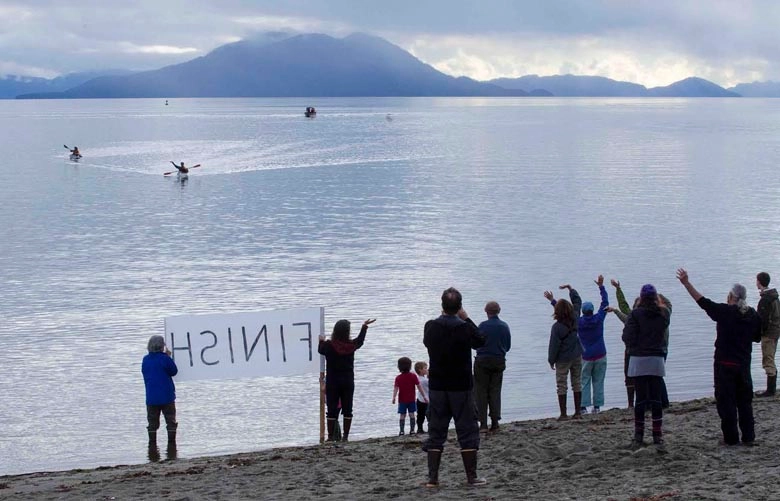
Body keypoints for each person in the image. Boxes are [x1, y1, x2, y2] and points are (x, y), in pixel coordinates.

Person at [677, 269, 761, 445]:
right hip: (744, 364)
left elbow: (703, 302)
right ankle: (749, 437)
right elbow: (757, 337)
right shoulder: (753, 315)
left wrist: (687, 284)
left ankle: (731, 438)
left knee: (726, 403)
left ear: (731, 297)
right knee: (745, 402)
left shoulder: (725, 312)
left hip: (725, 364)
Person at [422, 287, 487, 487]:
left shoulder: (431, 326)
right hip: (461, 385)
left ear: (442, 305)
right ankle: (471, 477)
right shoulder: (464, 327)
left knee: (436, 430)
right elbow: (480, 341)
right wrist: (466, 318)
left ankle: (433, 478)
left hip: (438, 385)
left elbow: (427, 343)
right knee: (467, 429)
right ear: (459, 307)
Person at [608, 279, 672, 409]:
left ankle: (653, 404)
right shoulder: (663, 315)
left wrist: (615, 310)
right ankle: (659, 405)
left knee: (648, 382)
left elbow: (626, 331)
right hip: (658, 352)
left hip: (644, 353)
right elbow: (624, 307)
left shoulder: (636, 317)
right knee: (656, 379)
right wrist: (618, 290)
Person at [622, 284, 670, 451]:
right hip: (656, 358)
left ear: (641, 298)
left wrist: (634, 346)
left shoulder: (635, 314)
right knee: (656, 399)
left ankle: (639, 435)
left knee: (640, 400)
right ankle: (657, 435)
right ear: (656, 297)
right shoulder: (663, 314)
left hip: (639, 359)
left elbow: (627, 336)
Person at [318, 317, 376, 442]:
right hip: (348, 380)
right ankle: (345, 436)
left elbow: (320, 350)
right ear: (347, 332)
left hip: (333, 380)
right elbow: (360, 341)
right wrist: (364, 327)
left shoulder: (328, 345)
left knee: (332, 409)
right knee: (348, 408)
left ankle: (331, 436)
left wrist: (321, 341)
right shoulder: (351, 346)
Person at [545, 285, 583, 420]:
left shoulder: (557, 327)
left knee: (562, 384)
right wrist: (571, 289)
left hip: (562, 359)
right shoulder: (576, 318)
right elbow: (578, 302)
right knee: (577, 381)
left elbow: (554, 346)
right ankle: (578, 412)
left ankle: (563, 414)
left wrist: (551, 360)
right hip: (577, 355)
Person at [474, 301, 511, 431]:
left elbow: (476, 344)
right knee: (495, 391)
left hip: (483, 361)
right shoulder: (504, 326)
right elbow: (507, 346)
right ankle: (495, 422)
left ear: (486, 311)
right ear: (498, 311)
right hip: (498, 360)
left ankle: (483, 423)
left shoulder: (482, 326)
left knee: (481, 391)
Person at [577, 276, 609, 414]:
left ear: (583, 312)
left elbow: (565, 314)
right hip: (600, 353)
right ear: (592, 310)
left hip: (586, 356)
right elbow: (605, 303)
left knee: (584, 381)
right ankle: (597, 406)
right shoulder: (599, 318)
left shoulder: (578, 322)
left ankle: (583, 407)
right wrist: (601, 287)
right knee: (598, 380)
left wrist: (553, 301)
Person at [142, 335, 179, 448]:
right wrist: (168, 357)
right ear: (161, 346)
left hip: (151, 397)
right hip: (167, 396)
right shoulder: (164, 358)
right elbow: (174, 371)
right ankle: (172, 445)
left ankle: (152, 445)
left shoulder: (146, 359)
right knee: (170, 421)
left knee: (152, 424)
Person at [755, 272, 780, 397]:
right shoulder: (774, 297)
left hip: (769, 334)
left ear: (759, 282)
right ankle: (772, 388)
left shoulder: (765, 299)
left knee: (768, 359)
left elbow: (763, 320)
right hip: (775, 332)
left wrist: (758, 333)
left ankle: (770, 390)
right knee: (771, 358)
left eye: (757, 280)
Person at [393, 357, 427, 436]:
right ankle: (412, 430)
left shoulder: (398, 378)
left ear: (399, 367)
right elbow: (419, 387)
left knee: (402, 415)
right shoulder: (413, 376)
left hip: (402, 400)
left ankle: (401, 431)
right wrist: (424, 396)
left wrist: (394, 397)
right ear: (410, 366)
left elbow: (396, 388)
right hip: (411, 399)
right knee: (412, 414)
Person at [414, 361, 430, 433]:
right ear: (420, 370)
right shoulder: (425, 380)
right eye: (425, 368)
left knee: (420, 415)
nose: (427, 369)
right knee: (429, 415)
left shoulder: (418, 379)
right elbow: (431, 385)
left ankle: (419, 428)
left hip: (420, 399)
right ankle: (430, 427)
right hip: (426, 400)